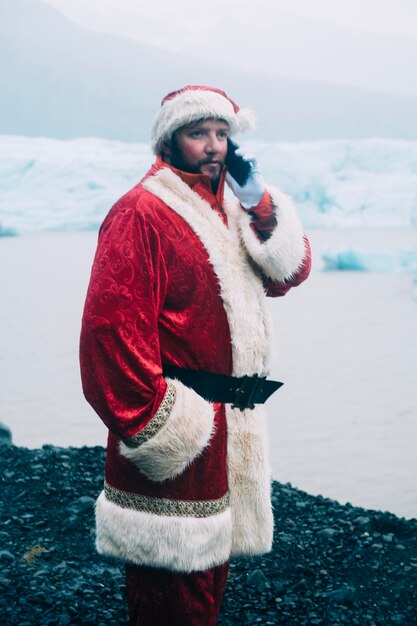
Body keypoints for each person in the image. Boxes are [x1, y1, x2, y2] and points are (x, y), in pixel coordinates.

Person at [80, 85, 311, 626]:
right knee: (171, 597)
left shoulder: (232, 207)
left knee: (206, 592)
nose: (213, 146)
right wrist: (165, 428)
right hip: (181, 431)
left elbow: (289, 274)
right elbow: (109, 336)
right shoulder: (141, 212)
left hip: (230, 428)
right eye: (198, 133)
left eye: (222, 133)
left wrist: (261, 202)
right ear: (169, 140)